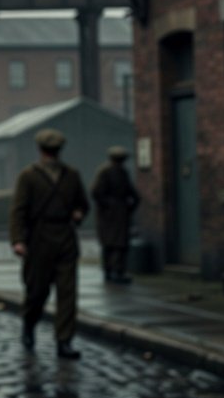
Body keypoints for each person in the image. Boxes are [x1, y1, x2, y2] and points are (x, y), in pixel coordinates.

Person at [9, 128, 88, 360]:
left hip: (65, 237)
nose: (51, 155)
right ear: (41, 150)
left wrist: (78, 213)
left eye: (54, 151)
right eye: (49, 151)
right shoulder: (29, 176)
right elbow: (18, 211)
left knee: (67, 294)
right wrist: (18, 240)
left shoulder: (71, 175)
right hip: (38, 239)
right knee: (37, 292)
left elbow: (83, 203)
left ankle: (64, 340)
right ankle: (29, 324)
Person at [91, 146, 140, 284]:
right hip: (108, 216)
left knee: (121, 244)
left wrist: (129, 207)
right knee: (110, 244)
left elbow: (132, 193)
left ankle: (118, 271)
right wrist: (109, 205)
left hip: (120, 214)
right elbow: (96, 192)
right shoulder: (105, 172)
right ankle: (110, 271)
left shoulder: (123, 172)